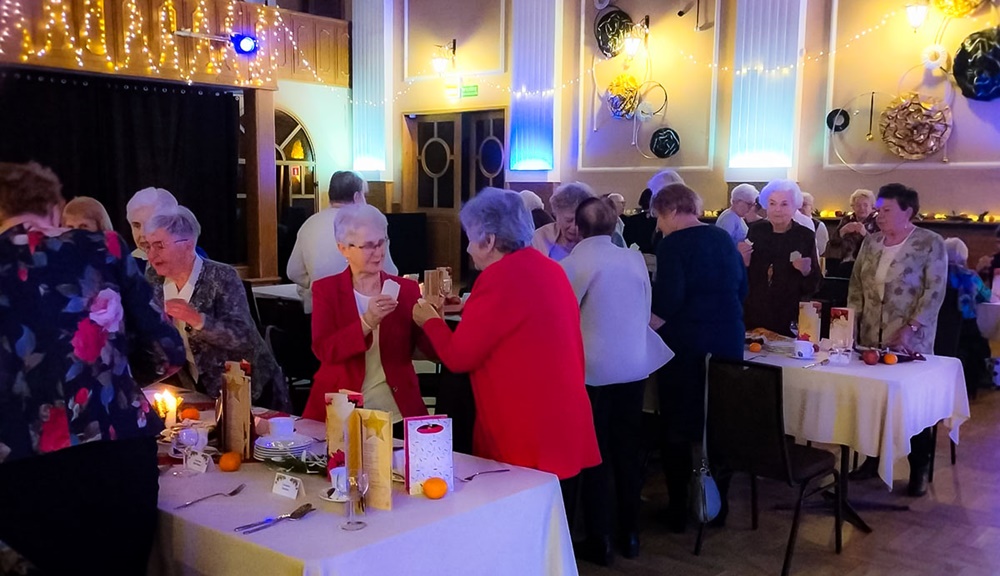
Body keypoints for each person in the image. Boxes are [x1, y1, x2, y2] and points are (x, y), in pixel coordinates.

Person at [0, 162, 186, 574]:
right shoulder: (106, 247)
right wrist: (107, 375)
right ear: (54, 209)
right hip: (117, 454)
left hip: (23, 466)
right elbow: (167, 350)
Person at [412, 188, 600, 525]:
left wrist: (432, 321)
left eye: (470, 238)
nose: (468, 249)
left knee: (520, 528)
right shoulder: (550, 269)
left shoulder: (498, 278)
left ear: (489, 239)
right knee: (554, 529)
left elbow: (458, 358)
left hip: (525, 428)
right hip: (564, 417)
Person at [560, 197, 673, 564]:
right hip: (634, 367)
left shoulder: (574, 263)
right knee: (626, 453)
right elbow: (644, 308)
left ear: (577, 227)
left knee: (596, 457)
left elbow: (562, 319)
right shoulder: (633, 259)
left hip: (593, 373)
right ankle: (631, 534)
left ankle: (600, 539)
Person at [647, 183, 747, 532]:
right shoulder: (721, 238)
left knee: (677, 426)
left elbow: (669, 299)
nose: (659, 226)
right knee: (719, 424)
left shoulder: (673, 244)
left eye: (659, 217)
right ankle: (716, 509)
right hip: (729, 342)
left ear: (672, 211)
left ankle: (678, 510)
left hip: (687, 345)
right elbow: (742, 287)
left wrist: (647, 323)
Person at [847, 183, 947, 496]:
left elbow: (934, 291)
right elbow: (856, 287)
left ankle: (919, 467)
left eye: (887, 209)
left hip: (909, 339)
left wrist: (911, 327)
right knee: (873, 400)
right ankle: (871, 461)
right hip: (870, 337)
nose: (879, 215)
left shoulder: (930, 243)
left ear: (908, 212)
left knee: (913, 404)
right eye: (878, 209)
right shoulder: (872, 242)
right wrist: (848, 323)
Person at [144, 207, 291, 411]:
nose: (151, 255)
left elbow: (243, 338)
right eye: (148, 246)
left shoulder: (222, 277)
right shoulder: (153, 278)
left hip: (248, 390)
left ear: (187, 245)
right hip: (196, 391)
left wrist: (198, 321)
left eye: (159, 246)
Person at [302, 204, 432, 432]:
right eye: (369, 245)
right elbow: (325, 350)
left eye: (382, 242)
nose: (379, 252)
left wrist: (433, 320)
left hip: (397, 411)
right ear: (344, 249)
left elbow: (428, 351)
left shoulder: (406, 289)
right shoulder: (326, 290)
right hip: (342, 412)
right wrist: (367, 322)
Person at [287, 171, 399, 313]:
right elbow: (390, 272)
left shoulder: (309, 224)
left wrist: (317, 283)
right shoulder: (369, 223)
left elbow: (293, 272)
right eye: (365, 195)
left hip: (318, 313)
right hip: (362, 314)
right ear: (357, 196)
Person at [741, 179, 821, 337]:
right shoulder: (756, 231)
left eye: (784, 204)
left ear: (794, 207)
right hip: (754, 314)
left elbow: (814, 285)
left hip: (787, 317)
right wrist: (743, 263)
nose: (777, 210)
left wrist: (806, 271)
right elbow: (743, 278)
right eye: (772, 203)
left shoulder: (804, 236)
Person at [944, 237, 993, 399]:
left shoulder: (937, 275)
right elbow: (986, 296)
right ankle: (969, 389)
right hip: (967, 327)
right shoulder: (970, 276)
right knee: (978, 347)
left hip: (943, 328)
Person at [531, 181, 595, 261]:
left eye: (580, 220)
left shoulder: (594, 239)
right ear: (556, 215)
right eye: (569, 220)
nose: (574, 227)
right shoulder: (540, 238)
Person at [826, 188, 879, 278]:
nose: (861, 208)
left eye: (865, 205)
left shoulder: (877, 221)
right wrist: (842, 232)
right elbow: (832, 243)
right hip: (845, 263)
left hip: (869, 265)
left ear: (872, 207)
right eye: (858, 205)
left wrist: (865, 234)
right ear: (853, 207)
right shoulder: (846, 220)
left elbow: (879, 247)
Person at [126, 186, 179, 271]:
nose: (142, 233)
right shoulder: (128, 264)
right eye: (136, 225)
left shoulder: (192, 260)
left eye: (150, 225)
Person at [800, 192, 829, 256]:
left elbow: (821, 250)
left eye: (804, 205)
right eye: (798, 205)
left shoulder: (819, 225)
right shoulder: (790, 223)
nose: (800, 208)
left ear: (812, 207)